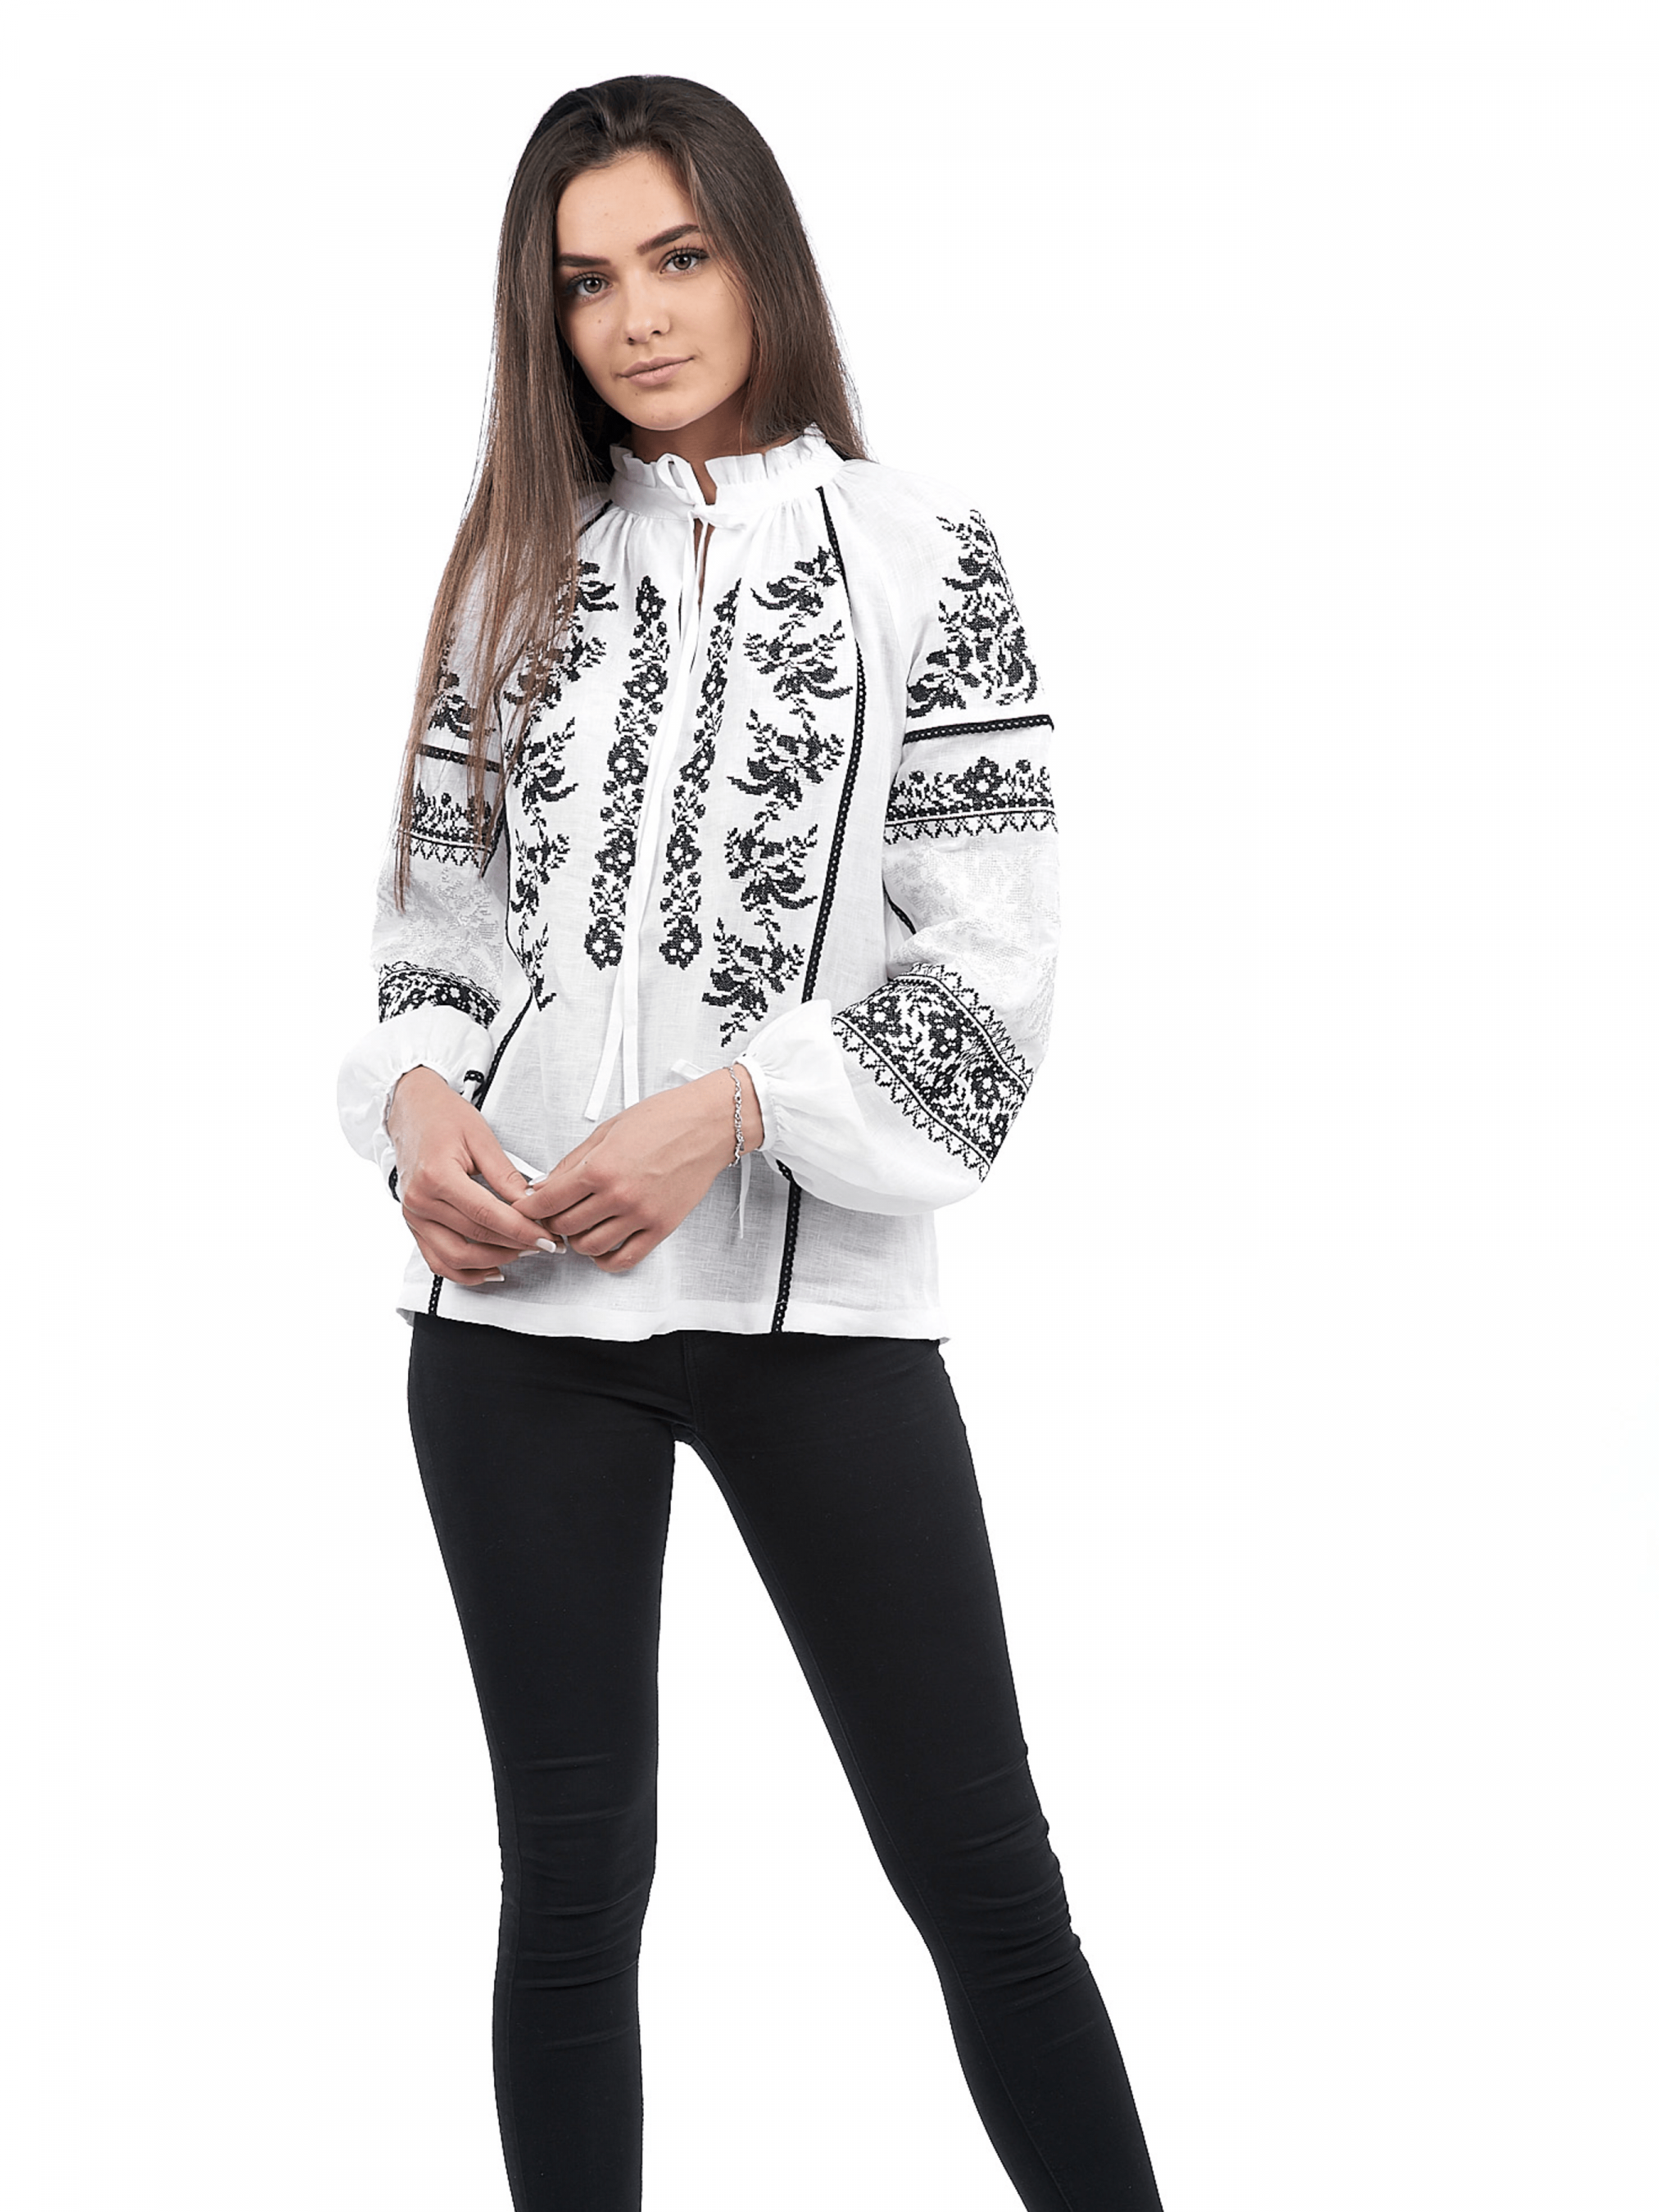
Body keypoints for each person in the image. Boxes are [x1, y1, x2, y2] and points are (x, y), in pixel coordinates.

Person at [336, 74, 1165, 2212]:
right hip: (511, 1325)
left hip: (824, 1323)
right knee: (568, 1884)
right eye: (585, 280)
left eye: (679, 257)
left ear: (761, 261)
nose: (636, 316)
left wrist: (736, 1109)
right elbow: (433, 932)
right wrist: (416, 1106)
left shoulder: (926, 560)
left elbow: (991, 985)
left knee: (984, 1878)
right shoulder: (511, 567)